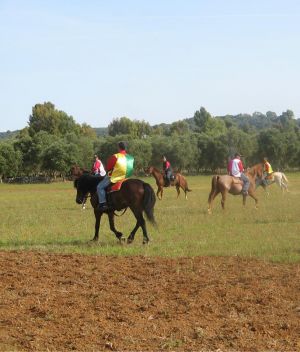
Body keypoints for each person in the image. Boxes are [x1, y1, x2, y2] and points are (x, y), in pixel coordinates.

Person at [96, 141, 134, 211]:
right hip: (126, 178)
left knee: (99, 187)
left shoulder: (115, 156)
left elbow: (108, 168)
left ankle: (103, 204)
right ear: (125, 148)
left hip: (116, 177)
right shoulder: (131, 157)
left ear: (119, 147)